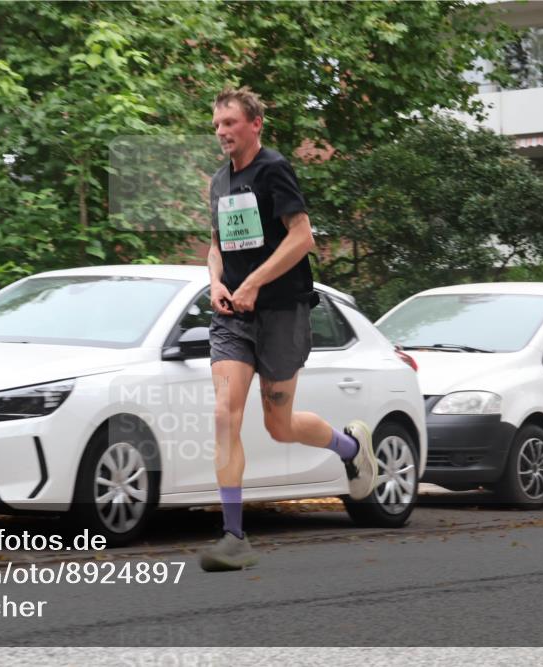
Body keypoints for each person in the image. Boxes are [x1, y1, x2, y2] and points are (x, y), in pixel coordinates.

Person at [199, 87, 378, 573]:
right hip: (233, 318)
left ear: (255, 124)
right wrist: (216, 281)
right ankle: (234, 536)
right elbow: (216, 246)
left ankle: (350, 447)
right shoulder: (218, 183)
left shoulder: (274, 170)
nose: (222, 132)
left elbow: (302, 238)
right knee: (224, 413)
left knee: (279, 425)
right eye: (217, 125)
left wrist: (255, 282)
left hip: (282, 312)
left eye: (230, 123)